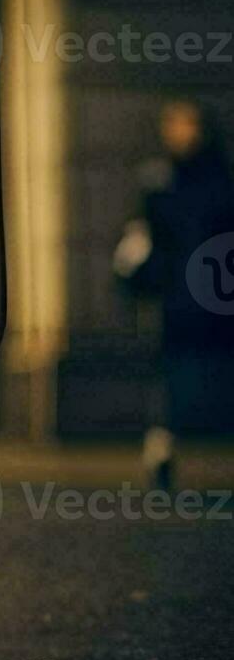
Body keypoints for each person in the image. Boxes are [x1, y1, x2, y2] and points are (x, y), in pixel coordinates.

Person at [114, 100, 234, 489]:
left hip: (216, 294)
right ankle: (162, 447)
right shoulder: (159, 180)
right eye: (176, 125)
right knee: (168, 374)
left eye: (189, 125)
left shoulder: (219, 181)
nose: (182, 133)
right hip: (176, 296)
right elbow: (141, 235)